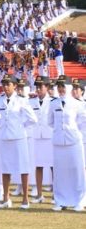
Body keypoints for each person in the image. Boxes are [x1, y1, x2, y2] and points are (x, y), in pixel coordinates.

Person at [0, 76, 37, 209]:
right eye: (4, 84)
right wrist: (4, 125)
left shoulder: (21, 100)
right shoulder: (0, 100)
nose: (5, 87)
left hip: (18, 137)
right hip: (5, 137)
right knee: (5, 169)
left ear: (15, 86)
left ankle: (25, 199)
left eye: (8, 84)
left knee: (23, 168)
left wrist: (20, 125)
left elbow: (33, 119)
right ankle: (6, 198)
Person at [48, 79, 86, 211]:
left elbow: (82, 123)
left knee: (77, 171)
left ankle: (80, 201)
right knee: (60, 173)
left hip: (73, 141)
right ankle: (60, 200)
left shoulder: (76, 104)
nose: (61, 89)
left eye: (63, 86)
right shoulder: (53, 103)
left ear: (69, 87)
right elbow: (50, 121)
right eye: (59, 86)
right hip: (59, 142)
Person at [27, 77, 53, 204]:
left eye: (41, 87)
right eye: (37, 87)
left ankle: (56, 195)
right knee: (38, 166)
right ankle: (39, 194)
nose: (38, 89)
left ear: (47, 88)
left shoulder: (53, 101)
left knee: (53, 167)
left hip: (50, 137)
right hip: (37, 137)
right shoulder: (32, 102)